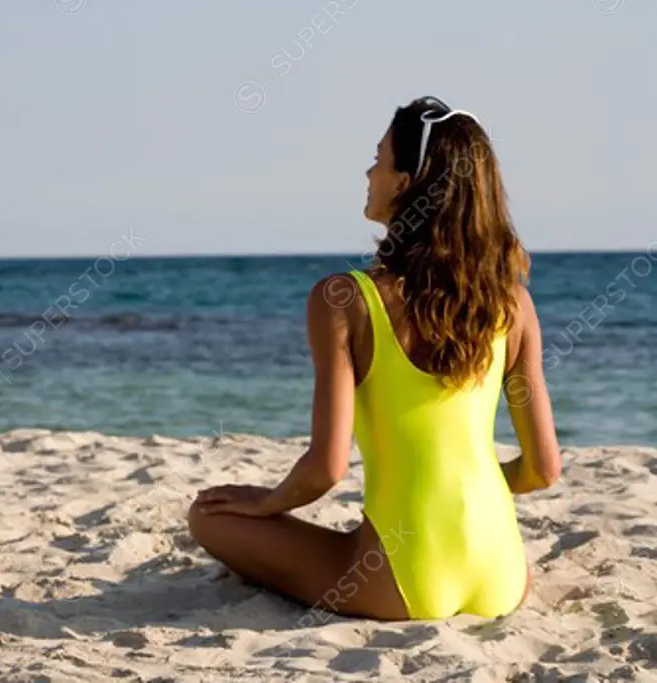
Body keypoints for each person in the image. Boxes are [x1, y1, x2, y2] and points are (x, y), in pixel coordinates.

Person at [187, 96, 561, 621]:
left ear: (405, 182)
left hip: (400, 581)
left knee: (208, 517)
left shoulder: (344, 300)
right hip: (502, 575)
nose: (369, 171)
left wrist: (268, 502)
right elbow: (544, 469)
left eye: (379, 158)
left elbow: (326, 468)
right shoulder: (513, 303)